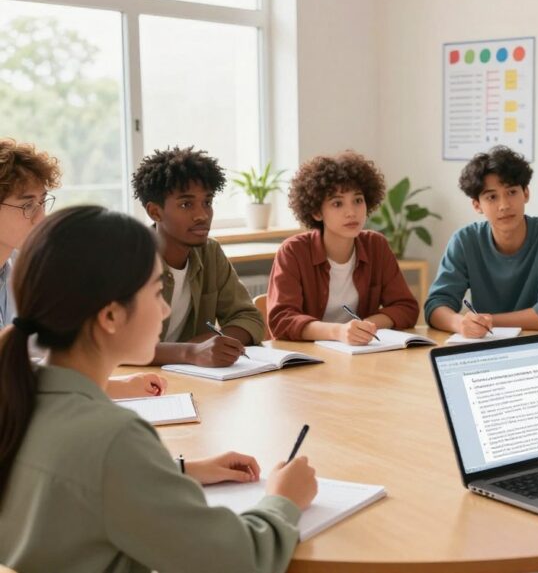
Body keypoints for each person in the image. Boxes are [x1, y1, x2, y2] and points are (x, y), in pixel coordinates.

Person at [0, 206, 318, 572]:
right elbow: (234, 561)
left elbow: (81, 487)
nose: (165, 311)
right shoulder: (113, 437)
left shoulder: (19, 398)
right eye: (155, 292)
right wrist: (283, 500)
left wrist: (179, 470)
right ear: (110, 316)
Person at [0, 138, 165, 397]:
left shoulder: (20, 271)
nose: (41, 217)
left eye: (43, 202)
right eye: (27, 205)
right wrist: (114, 387)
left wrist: (112, 385)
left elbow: (25, 366)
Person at [132, 146, 265, 367]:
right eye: (186, 204)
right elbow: (115, 346)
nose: (202, 215)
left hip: (193, 380)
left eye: (207, 202)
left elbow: (249, 318)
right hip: (137, 386)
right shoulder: (128, 258)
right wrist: (190, 352)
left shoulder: (210, 253)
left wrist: (209, 343)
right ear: (155, 212)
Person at [267, 151, 419, 343]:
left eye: (358, 200)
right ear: (316, 212)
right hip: (309, 358)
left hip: (362, 353)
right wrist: (337, 332)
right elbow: (281, 320)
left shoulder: (376, 245)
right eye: (337, 203)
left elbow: (406, 307)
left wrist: (367, 326)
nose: (351, 212)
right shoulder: (294, 252)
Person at [425, 145, 538, 336]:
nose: (504, 205)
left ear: (526, 193)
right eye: (492, 197)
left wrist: (487, 321)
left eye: (512, 192)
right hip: (488, 347)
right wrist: (460, 323)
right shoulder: (465, 241)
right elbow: (436, 306)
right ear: (477, 205)